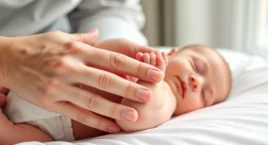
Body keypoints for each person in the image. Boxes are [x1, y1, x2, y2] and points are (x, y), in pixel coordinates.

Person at [2, 44, 232, 145]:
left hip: (48, 125)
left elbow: (132, 116)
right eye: (196, 66)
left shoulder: (167, 101)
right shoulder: (137, 57)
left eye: (205, 93)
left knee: (11, 136)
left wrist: (147, 82)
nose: (195, 81)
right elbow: (98, 52)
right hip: (28, 83)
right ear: (171, 53)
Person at [0, 0, 163, 134]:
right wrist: (6, 60)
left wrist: (107, 59)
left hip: (60, 50)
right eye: (190, 61)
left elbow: (109, 8)